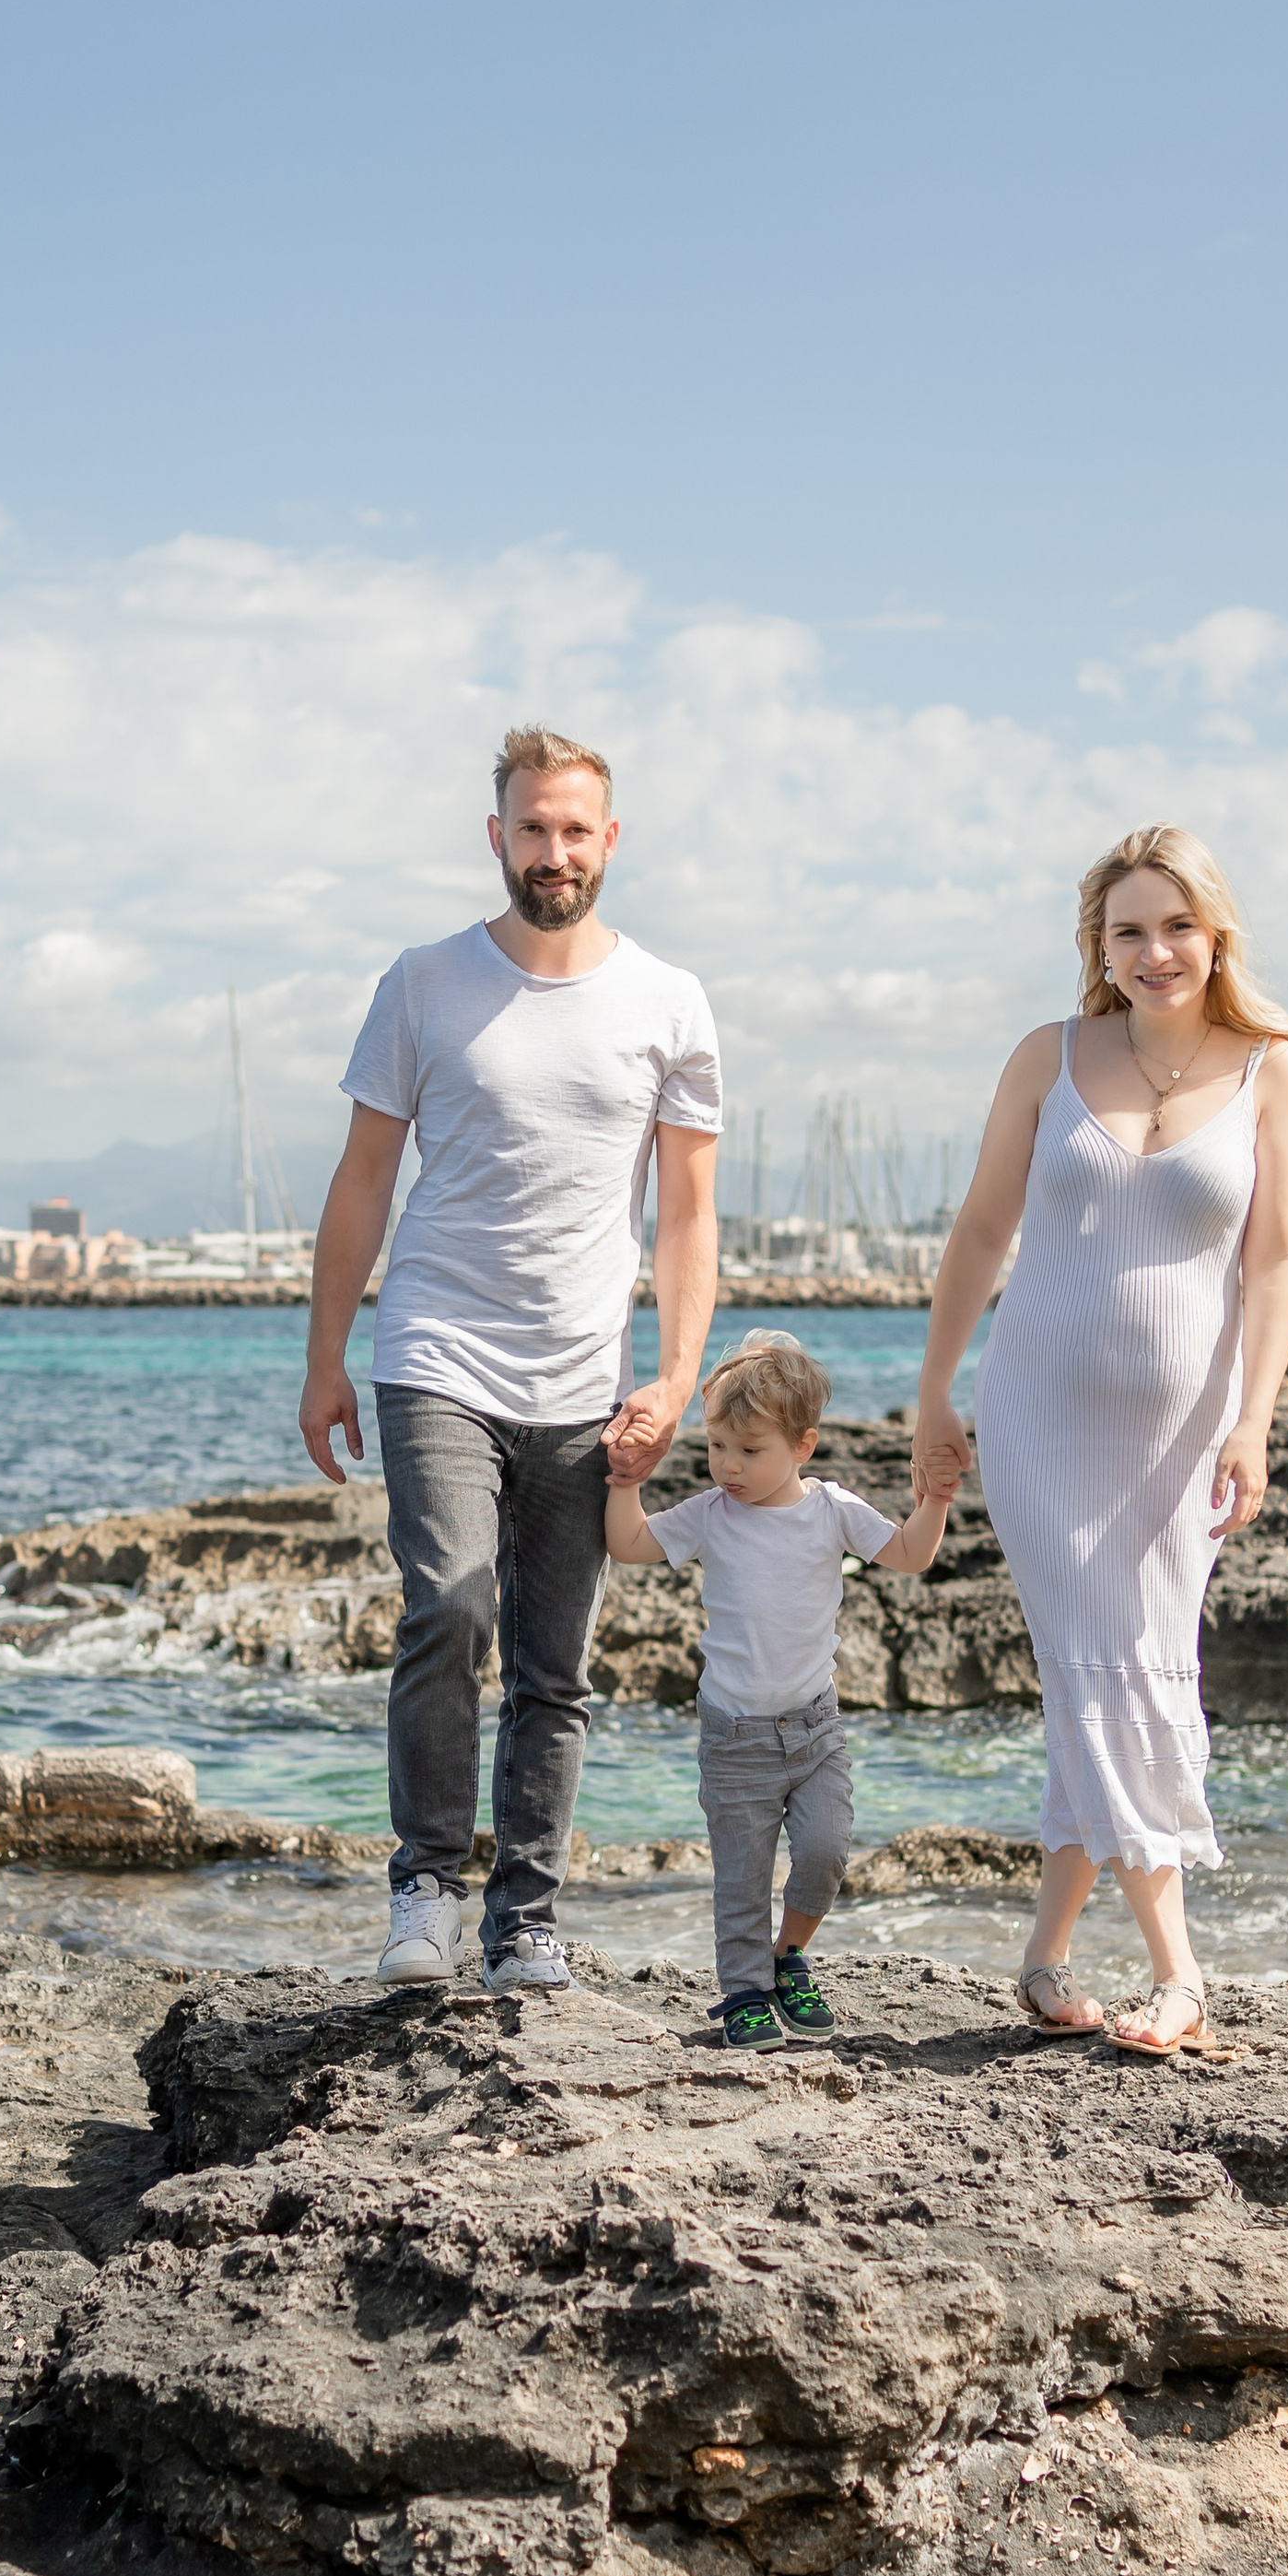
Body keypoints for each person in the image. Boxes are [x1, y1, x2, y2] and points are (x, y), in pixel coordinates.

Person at [299, 725, 720, 1994]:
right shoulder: (424, 983)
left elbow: (691, 1210)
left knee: (556, 1662)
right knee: (451, 1607)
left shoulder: (668, 1000)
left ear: (609, 840)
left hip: (586, 1377)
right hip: (436, 1348)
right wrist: (326, 1357)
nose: (553, 852)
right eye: (530, 828)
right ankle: (426, 1887)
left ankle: (526, 1917)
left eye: (574, 830)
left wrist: (677, 1375)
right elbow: (365, 1176)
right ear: (498, 836)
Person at [912, 824, 1288, 2055]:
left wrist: (1254, 1418)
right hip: (1037, 1412)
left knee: (1131, 1665)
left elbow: (1276, 1260)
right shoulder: (1048, 1056)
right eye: (1127, 930)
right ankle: (1180, 1974)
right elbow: (985, 1229)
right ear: (1098, 944)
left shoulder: (1274, 1069)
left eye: (1177, 925)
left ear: (1217, 932)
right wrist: (934, 1393)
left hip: (1178, 1430)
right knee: (1108, 1658)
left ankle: (1043, 1958)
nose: (1155, 952)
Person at [605, 1333, 954, 2051]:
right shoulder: (710, 1512)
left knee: (825, 1853)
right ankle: (743, 1991)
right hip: (735, 1735)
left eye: (750, 1449)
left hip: (815, 1728)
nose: (729, 1465)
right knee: (742, 1877)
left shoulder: (832, 1509)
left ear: (804, 1445)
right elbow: (630, 1544)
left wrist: (936, 1501)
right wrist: (624, 1483)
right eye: (718, 1447)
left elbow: (912, 1555)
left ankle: (787, 1953)